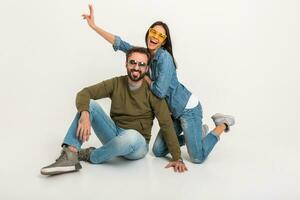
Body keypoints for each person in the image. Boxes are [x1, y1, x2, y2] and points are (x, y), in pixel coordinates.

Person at [82, 5, 235, 164]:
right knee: (158, 151)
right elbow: (121, 44)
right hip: (173, 113)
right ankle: (197, 134)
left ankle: (222, 124)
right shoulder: (145, 55)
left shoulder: (165, 58)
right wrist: (94, 26)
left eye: (160, 35)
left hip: (188, 109)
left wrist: (147, 77)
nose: (155, 36)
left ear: (163, 41)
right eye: (153, 32)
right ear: (148, 33)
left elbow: (160, 92)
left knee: (197, 157)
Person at [40, 47, 187, 175]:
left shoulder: (153, 93)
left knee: (131, 136)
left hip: (137, 144)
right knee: (89, 104)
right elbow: (84, 93)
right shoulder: (116, 83)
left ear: (147, 68)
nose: (136, 67)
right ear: (126, 64)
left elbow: (166, 124)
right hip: (113, 133)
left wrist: (177, 157)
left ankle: (92, 156)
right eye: (133, 63)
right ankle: (70, 154)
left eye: (141, 64)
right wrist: (85, 113)